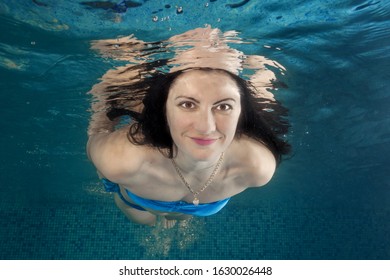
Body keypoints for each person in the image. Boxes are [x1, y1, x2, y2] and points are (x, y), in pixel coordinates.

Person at [87, 27, 291, 228]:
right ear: (164, 111)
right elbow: (98, 132)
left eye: (223, 106)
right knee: (144, 220)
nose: (206, 127)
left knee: (181, 217)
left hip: (197, 207)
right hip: (137, 203)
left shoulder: (257, 167)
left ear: (241, 114)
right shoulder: (121, 161)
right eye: (188, 104)